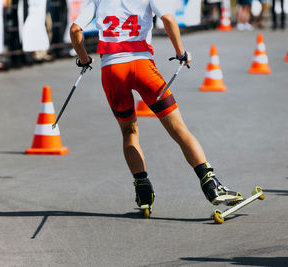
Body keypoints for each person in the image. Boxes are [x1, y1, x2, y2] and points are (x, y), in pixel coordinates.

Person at [70, 0, 243, 214]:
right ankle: (211, 185)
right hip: (142, 65)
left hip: (112, 69)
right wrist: (181, 53)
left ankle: (143, 190)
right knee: (178, 129)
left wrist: (84, 59)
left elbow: (75, 29)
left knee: (129, 132)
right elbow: (169, 18)